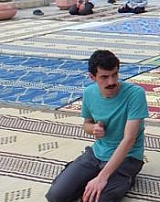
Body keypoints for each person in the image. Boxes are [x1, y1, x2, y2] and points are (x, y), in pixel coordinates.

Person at [45, 50, 148, 202]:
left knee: (97, 199)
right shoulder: (89, 93)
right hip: (97, 153)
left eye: (114, 74)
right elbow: (86, 124)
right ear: (92, 77)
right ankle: (91, 177)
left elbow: (129, 139)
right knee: (56, 196)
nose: (111, 82)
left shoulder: (135, 94)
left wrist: (102, 178)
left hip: (128, 157)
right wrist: (93, 129)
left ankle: (125, 179)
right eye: (104, 77)